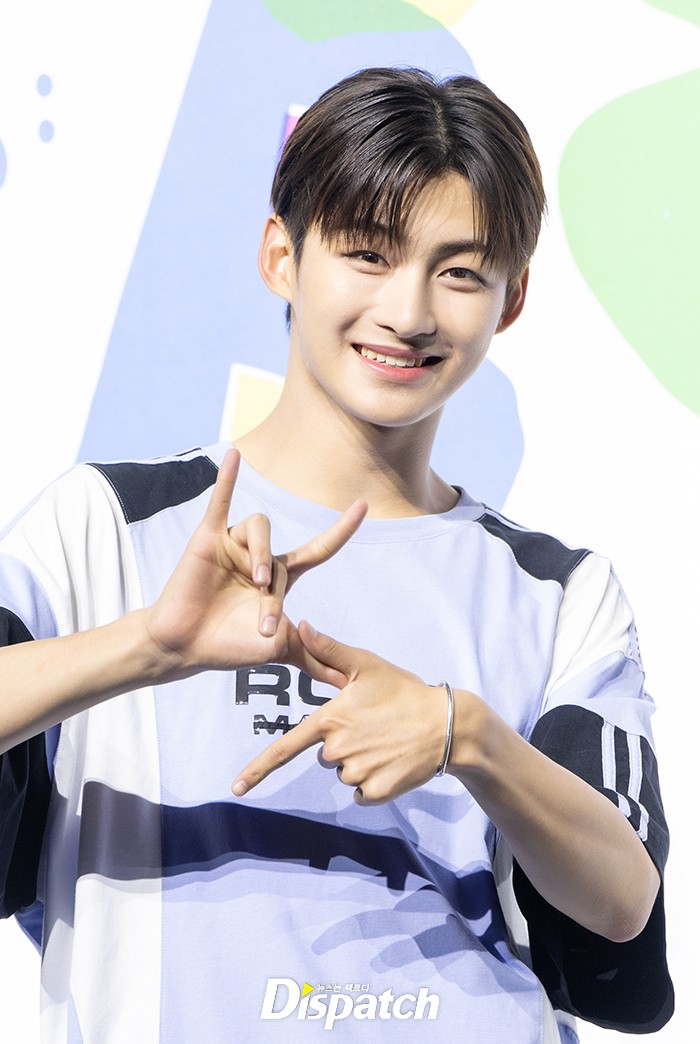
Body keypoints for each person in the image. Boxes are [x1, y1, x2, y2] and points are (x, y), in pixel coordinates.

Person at [0, 68, 672, 1042]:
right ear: (282, 255)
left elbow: (620, 907)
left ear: (511, 298)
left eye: (459, 272)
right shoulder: (104, 524)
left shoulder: (558, 592)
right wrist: (150, 646)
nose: (408, 312)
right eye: (367, 254)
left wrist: (467, 736)